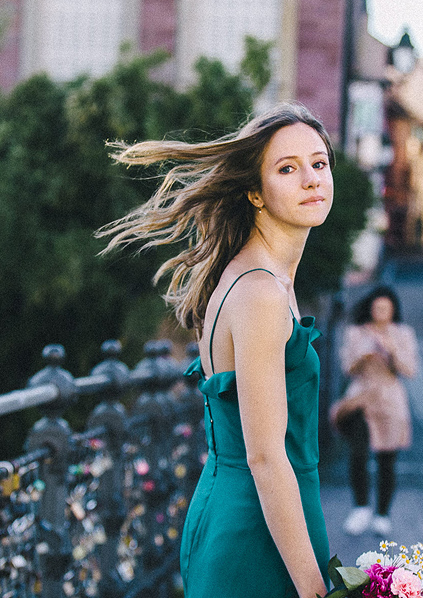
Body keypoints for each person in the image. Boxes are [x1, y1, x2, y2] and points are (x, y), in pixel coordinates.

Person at [98, 103, 333, 598]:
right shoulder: (261, 291)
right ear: (255, 192)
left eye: (319, 163)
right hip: (257, 534)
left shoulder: (259, 279)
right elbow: (266, 459)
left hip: (258, 516)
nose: (312, 179)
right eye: (287, 169)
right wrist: (318, 592)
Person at [330, 286, 419, 537]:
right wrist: (363, 354)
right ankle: (360, 507)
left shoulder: (403, 334)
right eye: (377, 307)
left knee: (387, 459)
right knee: (357, 453)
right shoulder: (356, 333)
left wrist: (391, 348)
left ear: (393, 311)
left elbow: (410, 370)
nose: (381, 312)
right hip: (361, 397)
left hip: (391, 400)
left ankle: (382, 513)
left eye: (386, 308)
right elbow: (348, 368)